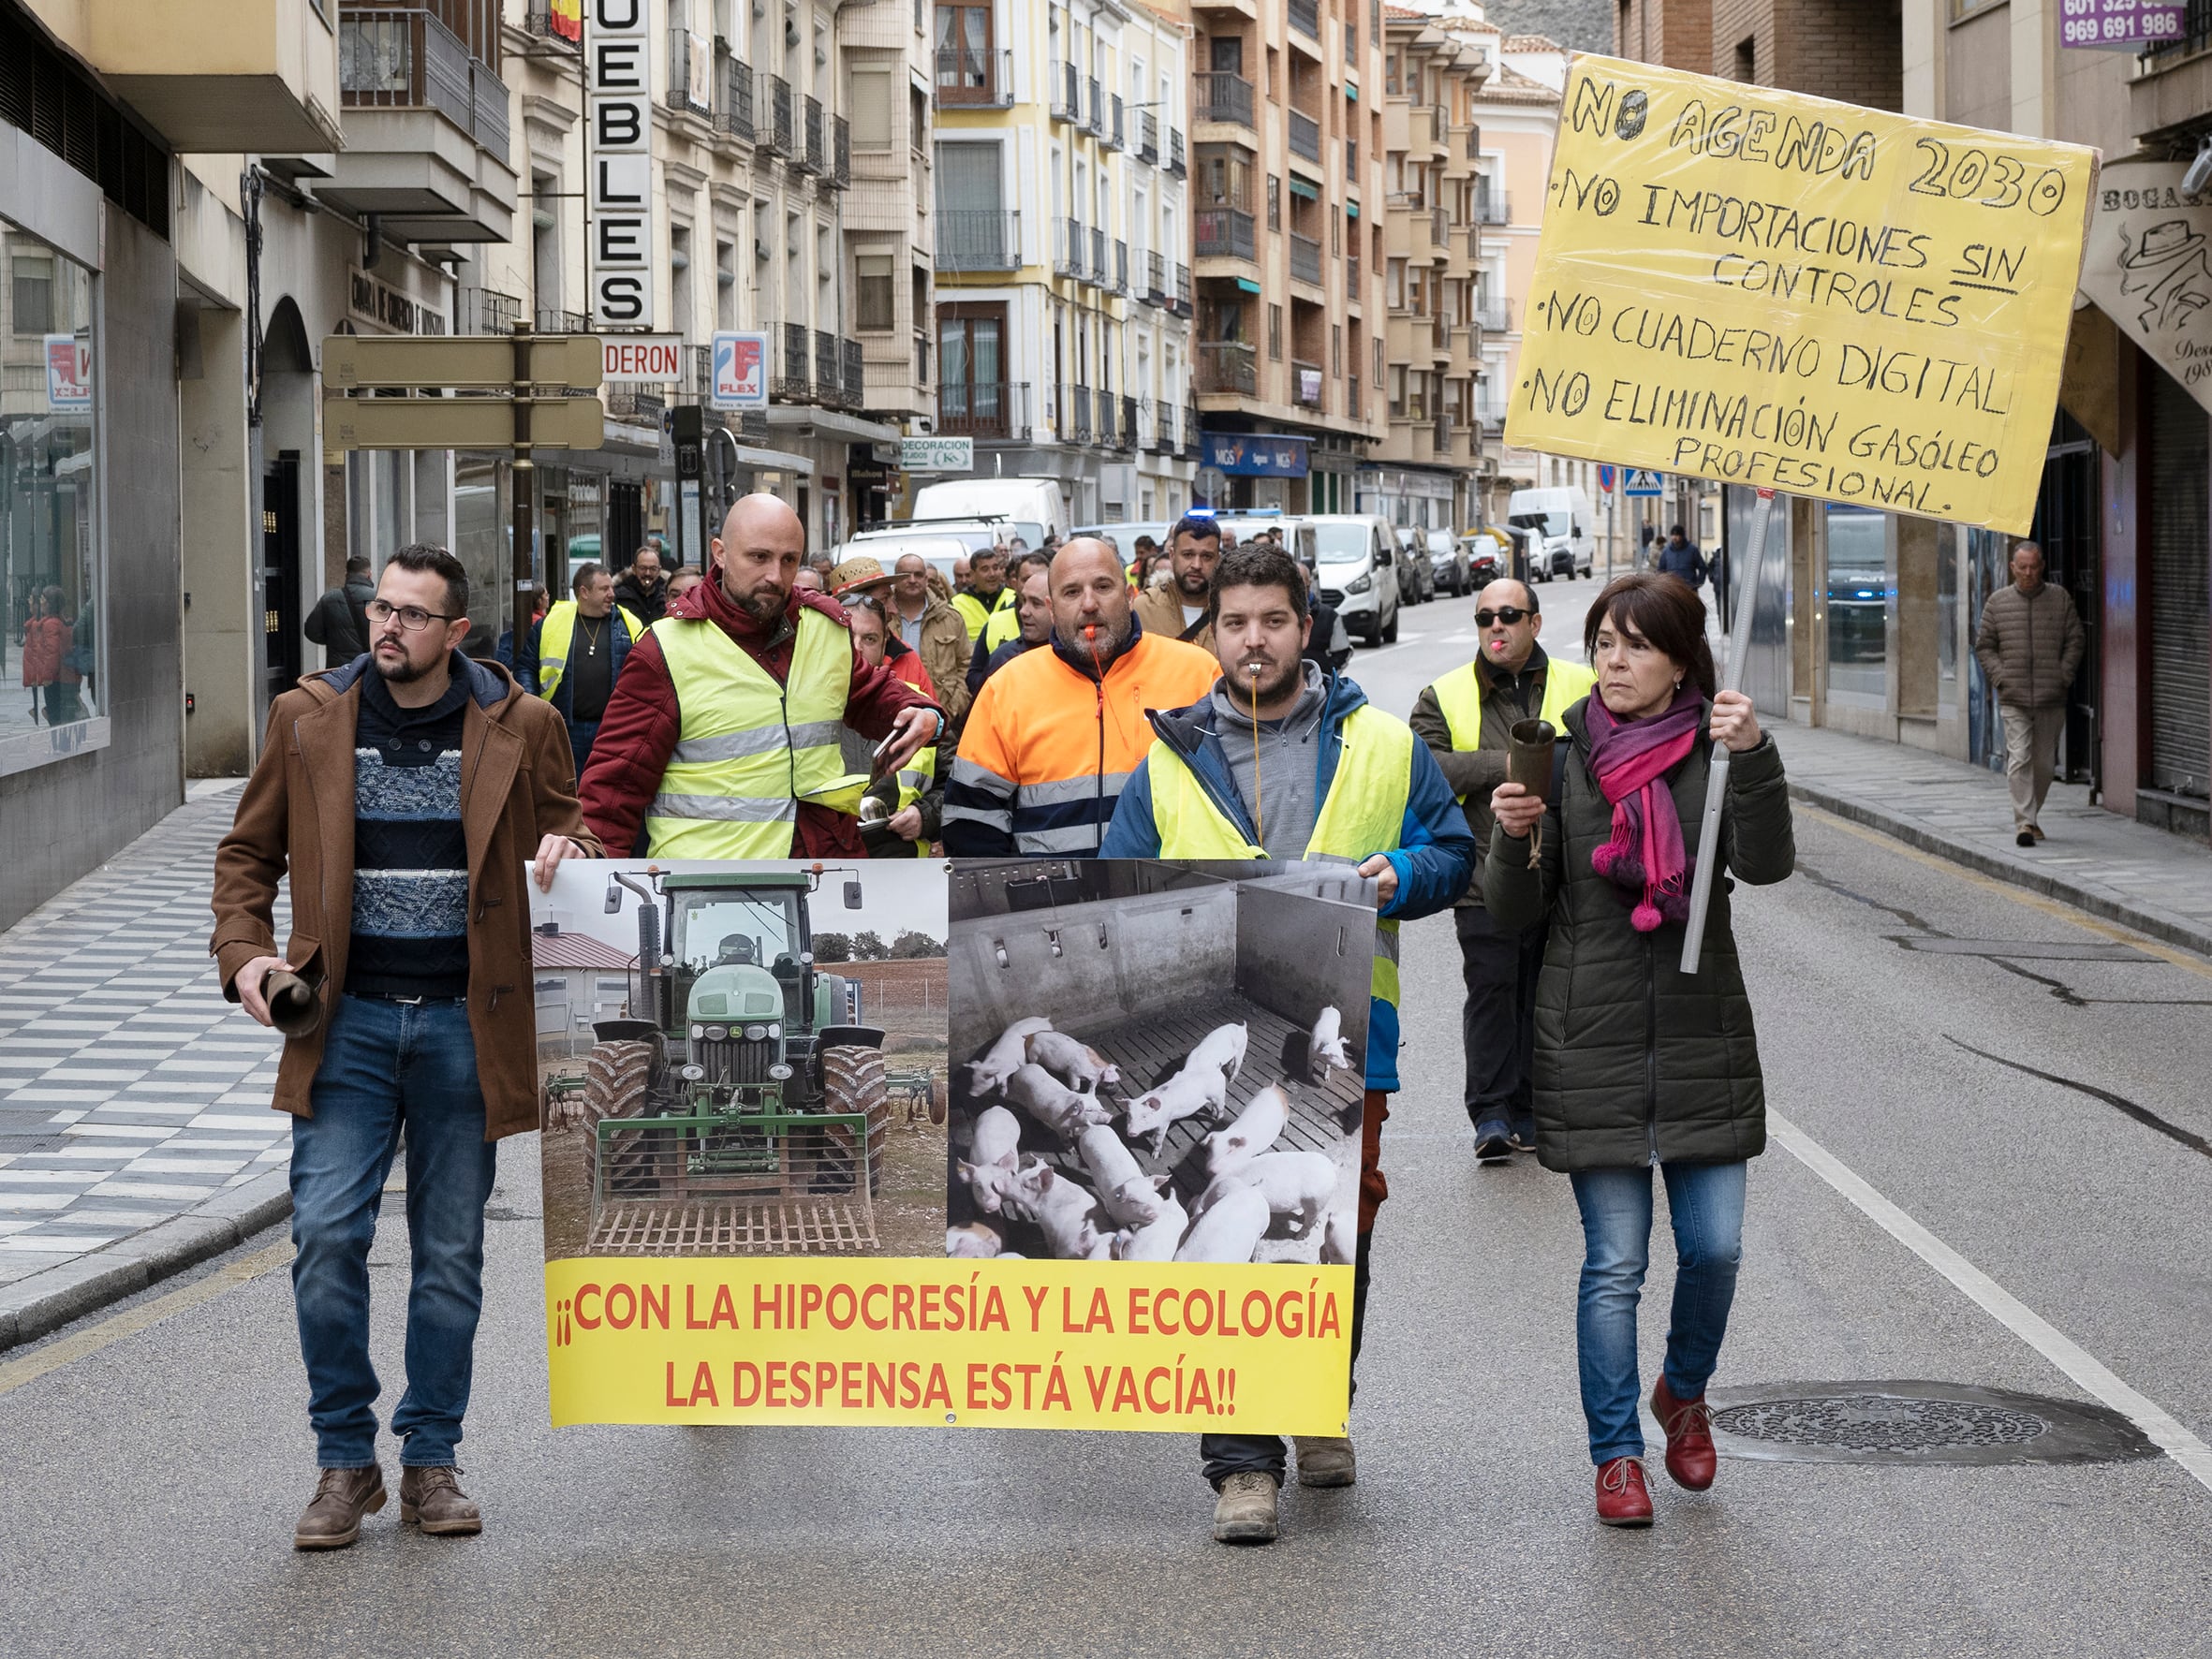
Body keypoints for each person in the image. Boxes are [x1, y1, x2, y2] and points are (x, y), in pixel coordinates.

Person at [210, 543, 599, 1550]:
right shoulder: (308, 718)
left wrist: (572, 848)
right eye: (382, 608)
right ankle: (346, 1461)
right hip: (344, 1022)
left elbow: (578, 832)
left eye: (413, 614)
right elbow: (247, 853)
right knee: (326, 1237)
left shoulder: (523, 724)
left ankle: (430, 1457)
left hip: (469, 1026)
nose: (388, 626)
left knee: (450, 1253)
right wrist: (246, 955)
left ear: (456, 632)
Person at [1099, 545, 1475, 1545]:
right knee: (1228, 1232)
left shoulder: (1384, 745)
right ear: (1209, 633)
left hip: (1351, 1038)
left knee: (1332, 1238)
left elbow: (1453, 853)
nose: (1252, 638)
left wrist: (1403, 870)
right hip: (1226, 1022)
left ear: (1304, 629)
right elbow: (1123, 876)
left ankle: (1316, 1401)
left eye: (1272, 619)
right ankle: (1241, 1463)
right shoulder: (1168, 759)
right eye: (1233, 623)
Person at [1484, 571, 1794, 1529]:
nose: (1613, 662)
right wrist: (1510, 842)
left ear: (1679, 663)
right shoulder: (1562, 758)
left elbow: (1768, 862)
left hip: (1702, 1038)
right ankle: (1615, 1452)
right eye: (1602, 643)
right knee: (1613, 1261)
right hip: (1592, 1042)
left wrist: (1756, 755)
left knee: (1716, 1248)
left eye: (1636, 646)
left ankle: (1683, 1390)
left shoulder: (1713, 751)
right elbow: (1514, 915)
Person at [576, 493, 944, 858]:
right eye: (759, 557)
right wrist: (593, 880)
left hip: (823, 873)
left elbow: (869, 692)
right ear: (719, 553)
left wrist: (919, 710)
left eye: (789, 560)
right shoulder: (665, 650)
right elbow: (613, 790)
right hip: (713, 892)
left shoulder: (823, 628)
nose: (775, 575)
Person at [1409, 578, 1596, 1163]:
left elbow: (1611, 752)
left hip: (1567, 873)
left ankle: (1536, 1108)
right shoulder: (1444, 694)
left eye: (1509, 615)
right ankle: (1491, 1112)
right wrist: (1508, 764)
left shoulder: (1582, 685)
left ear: (1534, 624)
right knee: (1492, 989)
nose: (1496, 626)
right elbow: (1423, 768)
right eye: (1486, 617)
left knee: (1546, 991)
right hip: (1485, 872)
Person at [945, 537, 1217, 855]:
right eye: (1071, 592)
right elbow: (970, 819)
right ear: (1052, 608)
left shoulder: (1198, 672)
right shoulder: (1006, 686)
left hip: (1170, 893)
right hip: (1051, 896)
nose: (1088, 604)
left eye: (1103, 587)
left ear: (1131, 596)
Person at [1973, 540, 2084, 847]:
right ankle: (2025, 821)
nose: (2028, 572)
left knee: (2046, 764)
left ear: (2042, 566)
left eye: (2034, 566)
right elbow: (1984, 646)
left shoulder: (2059, 599)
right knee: (2019, 756)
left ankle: (2032, 815)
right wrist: (2000, 676)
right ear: (2012, 567)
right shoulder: (1998, 602)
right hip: (2014, 696)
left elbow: (2076, 639)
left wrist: (2064, 674)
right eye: (2022, 567)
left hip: (2051, 695)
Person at [514, 562, 645, 776]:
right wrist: (533, 707)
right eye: (604, 589)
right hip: (565, 729)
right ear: (584, 592)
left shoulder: (629, 624)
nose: (612, 594)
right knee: (566, 789)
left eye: (611, 587)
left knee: (605, 790)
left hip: (612, 730)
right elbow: (526, 667)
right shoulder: (552, 624)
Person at [840, 591, 942, 855]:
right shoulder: (797, 705)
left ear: (885, 643)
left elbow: (958, 785)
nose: (857, 648)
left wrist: (925, 816)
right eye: (847, 636)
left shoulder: (918, 706)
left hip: (901, 867)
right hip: (826, 866)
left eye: (869, 638)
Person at [877, 552, 972, 725]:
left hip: (942, 719)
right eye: (906, 575)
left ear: (927, 579)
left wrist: (953, 709)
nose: (913, 580)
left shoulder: (951, 618)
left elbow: (966, 664)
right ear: (895, 580)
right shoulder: (879, 616)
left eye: (918, 575)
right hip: (889, 717)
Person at [967, 553, 1054, 701]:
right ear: (1015, 582)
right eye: (1027, 579)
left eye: (1036, 603)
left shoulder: (1079, 655)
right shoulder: (1001, 655)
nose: (1024, 612)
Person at [1134, 511, 1222, 653]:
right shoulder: (1143, 609)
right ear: (1172, 555)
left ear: (1218, 559)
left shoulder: (1233, 610)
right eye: (1188, 555)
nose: (1197, 565)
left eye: (1206, 556)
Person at [21, 586, 81, 725]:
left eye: (43, 600)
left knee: (55, 717)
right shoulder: (55, 622)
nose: (40, 603)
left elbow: (52, 653)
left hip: (55, 679)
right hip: (59, 677)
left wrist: (47, 677)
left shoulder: (51, 625)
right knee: (57, 713)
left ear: (50, 603)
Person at [304, 554, 376, 661]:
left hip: (339, 670)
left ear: (346, 574)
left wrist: (334, 639)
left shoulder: (329, 599)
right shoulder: (378, 599)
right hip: (369, 667)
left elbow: (311, 632)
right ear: (369, 575)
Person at [952, 545, 1015, 642]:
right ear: (973, 574)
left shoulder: (1014, 597)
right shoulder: (956, 604)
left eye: (995, 568)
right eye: (985, 569)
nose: (992, 574)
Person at [612, 544, 670, 624]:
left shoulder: (668, 595)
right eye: (643, 568)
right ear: (634, 569)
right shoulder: (618, 596)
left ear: (659, 571)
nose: (647, 573)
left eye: (653, 569)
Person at [1655, 524, 1706, 589]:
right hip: (1672, 589)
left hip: (1689, 589)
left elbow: (1702, 568)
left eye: (1677, 535)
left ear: (1682, 536)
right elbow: (1660, 570)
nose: (1674, 537)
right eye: (1672, 535)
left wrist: (1698, 583)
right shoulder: (1666, 551)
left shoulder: (1692, 550)